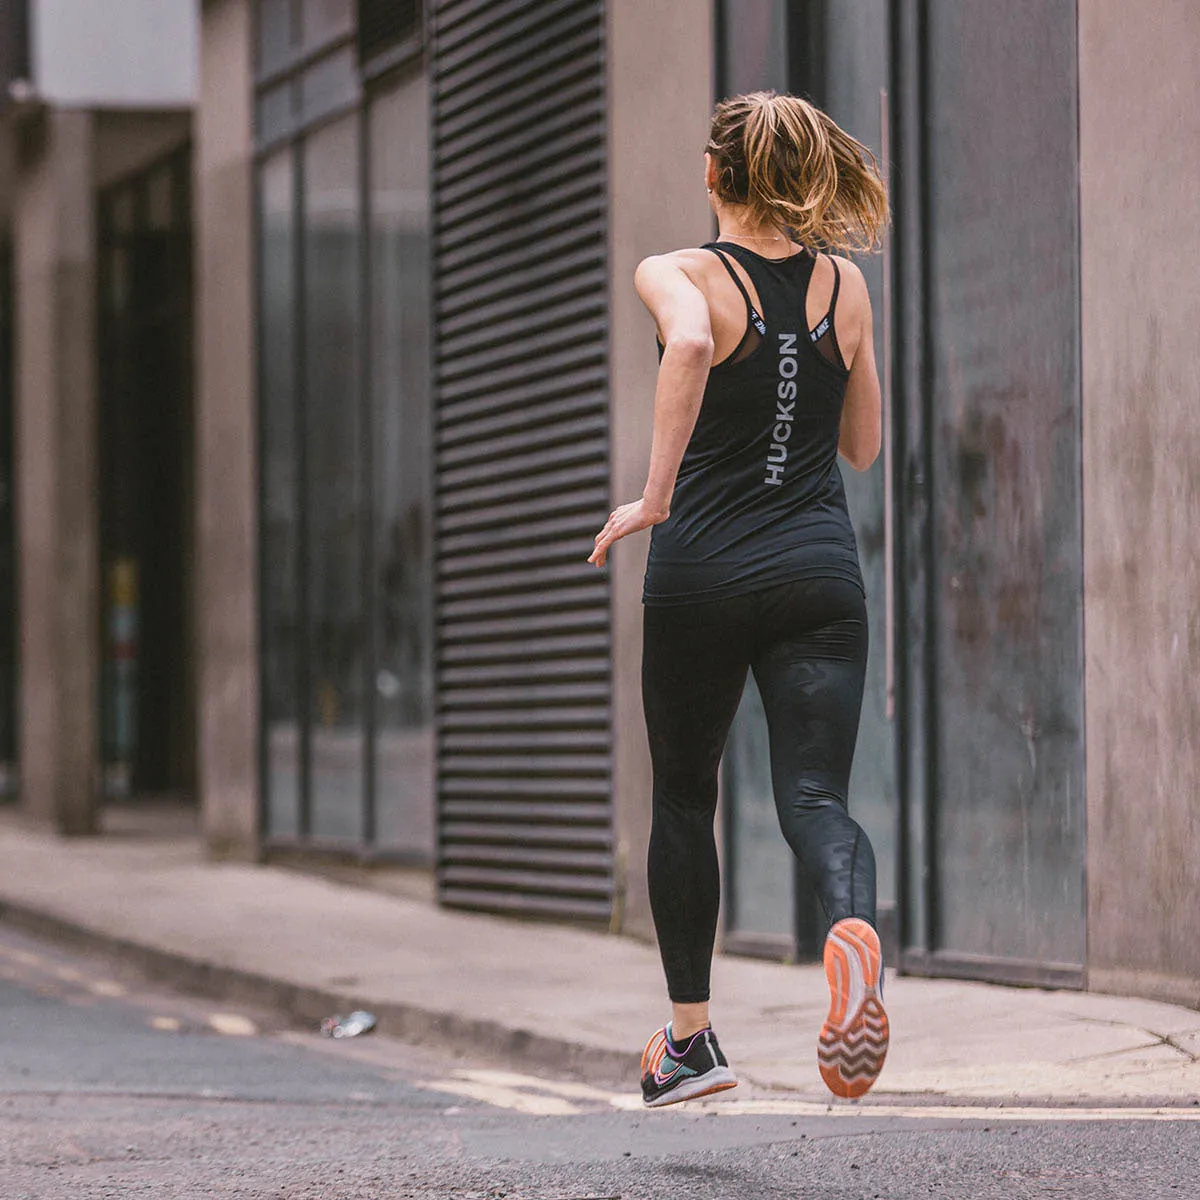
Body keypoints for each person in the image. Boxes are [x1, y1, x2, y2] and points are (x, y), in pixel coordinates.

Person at [588, 91, 890, 1107]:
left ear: (714, 176)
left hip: (704, 574)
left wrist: (654, 497)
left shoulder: (677, 274)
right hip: (818, 573)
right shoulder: (845, 286)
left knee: (685, 795)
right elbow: (861, 448)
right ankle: (851, 931)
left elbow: (685, 346)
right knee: (815, 800)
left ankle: (690, 1046)